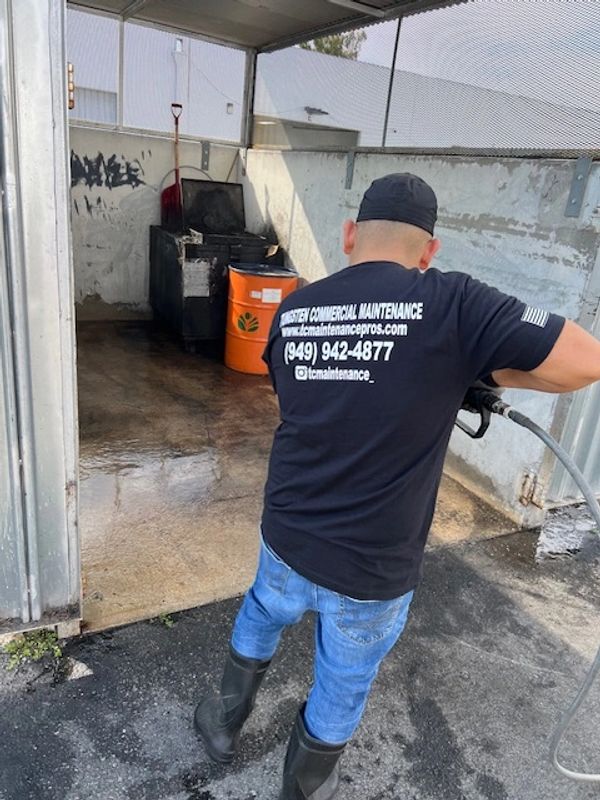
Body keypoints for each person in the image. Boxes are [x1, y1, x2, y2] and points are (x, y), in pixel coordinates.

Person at [194, 173, 600, 799]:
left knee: (262, 612)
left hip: (288, 533)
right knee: (342, 680)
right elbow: (583, 360)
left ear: (350, 235)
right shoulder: (453, 303)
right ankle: (303, 788)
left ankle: (220, 724)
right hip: (372, 567)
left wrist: (442, 371)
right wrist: (469, 372)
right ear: (430, 251)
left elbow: (304, 393)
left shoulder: (296, 307)